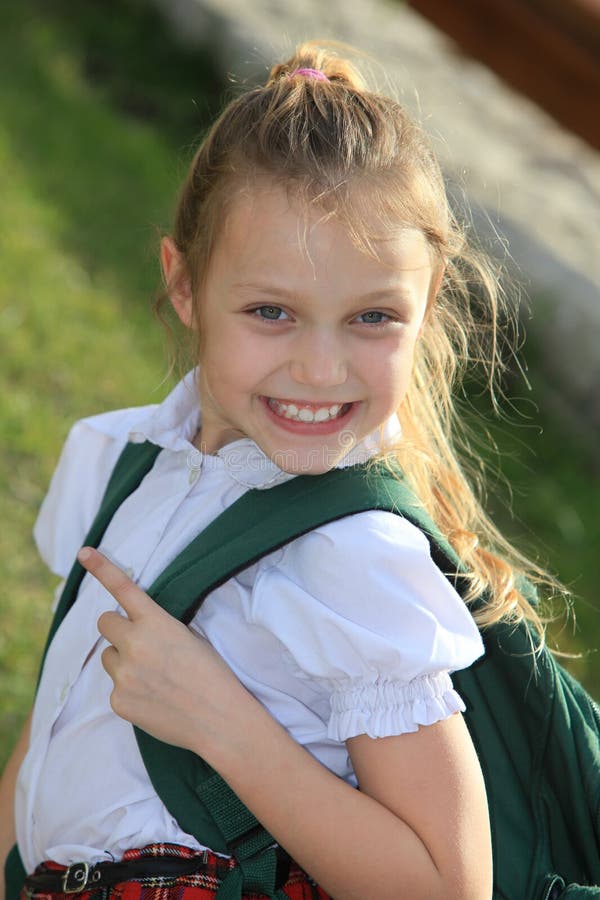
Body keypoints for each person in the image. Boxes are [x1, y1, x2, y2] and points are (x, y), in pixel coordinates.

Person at [4, 38, 566, 900]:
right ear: (184, 284)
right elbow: (48, 738)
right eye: (272, 311)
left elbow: (449, 887)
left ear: (427, 298)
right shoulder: (117, 459)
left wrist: (225, 724)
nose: (319, 369)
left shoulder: (355, 556)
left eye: (372, 318)